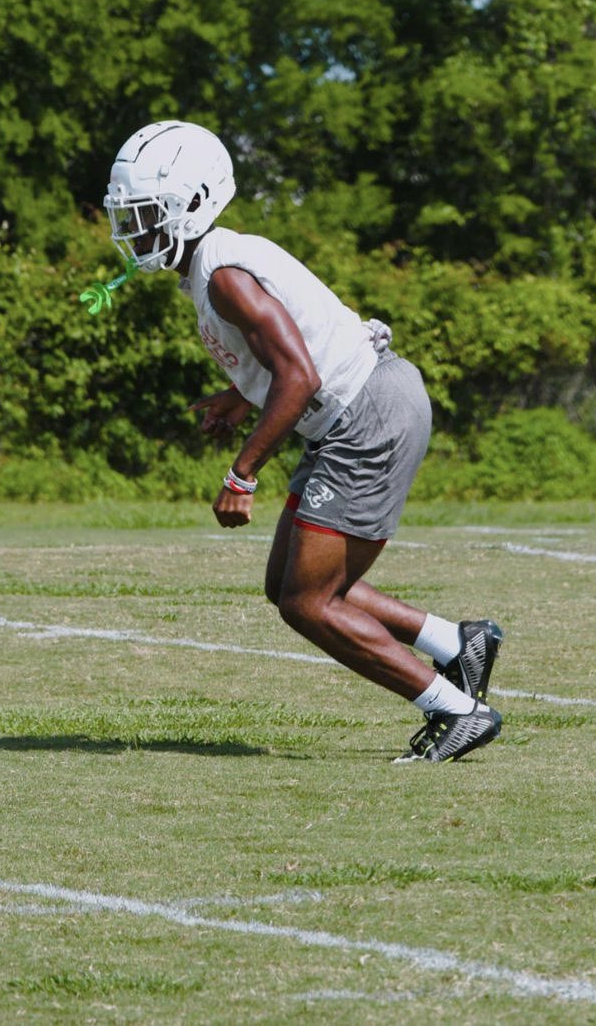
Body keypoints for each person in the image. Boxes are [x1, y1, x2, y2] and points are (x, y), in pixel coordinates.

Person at [103, 119, 504, 763]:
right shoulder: (216, 262)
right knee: (288, 585)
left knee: (308, 602)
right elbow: (297, 351)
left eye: (149, 214)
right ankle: (457, 644)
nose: (137, 231)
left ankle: (457, 710)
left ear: (196, 203)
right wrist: (240, 399)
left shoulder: (224, 274)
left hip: (365, 417)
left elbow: (300, 376)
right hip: (361, 408)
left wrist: (242, 473)